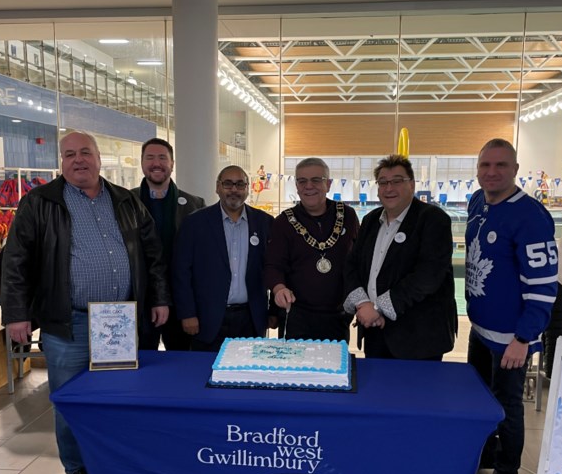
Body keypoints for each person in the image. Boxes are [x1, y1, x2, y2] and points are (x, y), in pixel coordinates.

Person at [0, 130, 170, 474]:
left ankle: (114, 463)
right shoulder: (40, 202)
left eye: (85, 153)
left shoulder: (125, 201)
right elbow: (15, 261)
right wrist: (16, 314)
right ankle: (78, 471)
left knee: (120, 397)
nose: (79, 160)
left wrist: (159, 299)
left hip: (121, 321)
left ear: (98, 158)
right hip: (68, 322)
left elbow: (152, 254)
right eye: (70, 154)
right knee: (71, 401)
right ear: (61, 162)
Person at [464, 138, 557, 474]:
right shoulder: (476, 202)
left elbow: (543, 286)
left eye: (500, 165)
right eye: (485, 165)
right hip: (481, 329)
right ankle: (486, 455)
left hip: (510, 339)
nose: (491, 172)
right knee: (480, 399)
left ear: (515, 170)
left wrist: (523, 338)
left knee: (508, 408)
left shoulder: (530, 216)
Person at [342, 154, 457, 360]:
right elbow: (351, 265)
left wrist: (378, 308)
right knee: (377, 390)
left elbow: (427, 276)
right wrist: (363, 304)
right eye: (383, 182)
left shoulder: (432, 219)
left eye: (397, 181)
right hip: (375, 332)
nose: (389, 188)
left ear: (412, 184)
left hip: (418, 338)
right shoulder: (370, 221)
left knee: (416, 393)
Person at [172, 165, 274, 351]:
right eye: (228, 184)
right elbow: (181, 272)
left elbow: (274, 268)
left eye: (239, 184)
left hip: (250, 319)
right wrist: (187, 313)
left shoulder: (265, 222)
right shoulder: (195, 223)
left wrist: (274, 312)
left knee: (247, 377)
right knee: (205, 375)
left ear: (247, 188)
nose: (234, 189)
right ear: (217, 187)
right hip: (207, 319)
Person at [265, 158, 360, 342]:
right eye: (302, 181)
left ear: (328, 184)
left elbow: (359, 261)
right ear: (297, 186)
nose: (309, 186)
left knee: (335, 367)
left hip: (338, 315)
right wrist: (279, 288)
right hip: (296, 315)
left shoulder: (348, 215)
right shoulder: (283, 222)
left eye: (316, 180)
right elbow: (273, 265)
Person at [131, 138, 206, 351]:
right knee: (141, 363)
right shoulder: (125, 201)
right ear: (142, 162)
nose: (157, 163)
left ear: (172, 164)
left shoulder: (194, 205)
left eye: (163, 158)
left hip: (180, 301)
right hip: (140, 301)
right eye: (150, 157)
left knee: (181, 363)